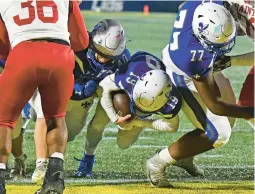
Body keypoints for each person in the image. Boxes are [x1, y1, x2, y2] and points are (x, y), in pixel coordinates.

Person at [143, 1, 254, 188]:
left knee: (230, 120)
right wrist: (251, 111)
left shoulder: (205, 5)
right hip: (182, 76)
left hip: (196, 61)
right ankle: (156, 162)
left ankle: (185, 155)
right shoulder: (195, 57)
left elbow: (184, 6)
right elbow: (216, 106)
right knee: (219, 134)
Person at [0, 1, 89, 194]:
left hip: (23, 52)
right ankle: (55, 179)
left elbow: (2, 45)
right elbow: (81, 41)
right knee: (56, 118)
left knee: (4, 121)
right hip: (60, 54)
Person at [28, 19, 130, 182]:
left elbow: (116, 88)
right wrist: (75, 86)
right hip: (57, 86)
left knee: (70, 134)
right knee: (43, 116)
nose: (104, 60)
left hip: (85, 98)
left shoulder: (123, 60)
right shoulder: (75, 46)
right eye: (101, 53)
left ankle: (88, 158)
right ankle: (42, 164)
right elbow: (52, 72)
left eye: (110, 56)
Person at [99, 51, 204, 176]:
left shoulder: (171, 101)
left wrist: (140, 122)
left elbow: (171, 127)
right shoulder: (129, 76)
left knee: (123, 143)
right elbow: (104, 85)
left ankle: (179, 156)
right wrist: (115, 117)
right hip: (140, 68)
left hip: (162, 84)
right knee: (121, 128)